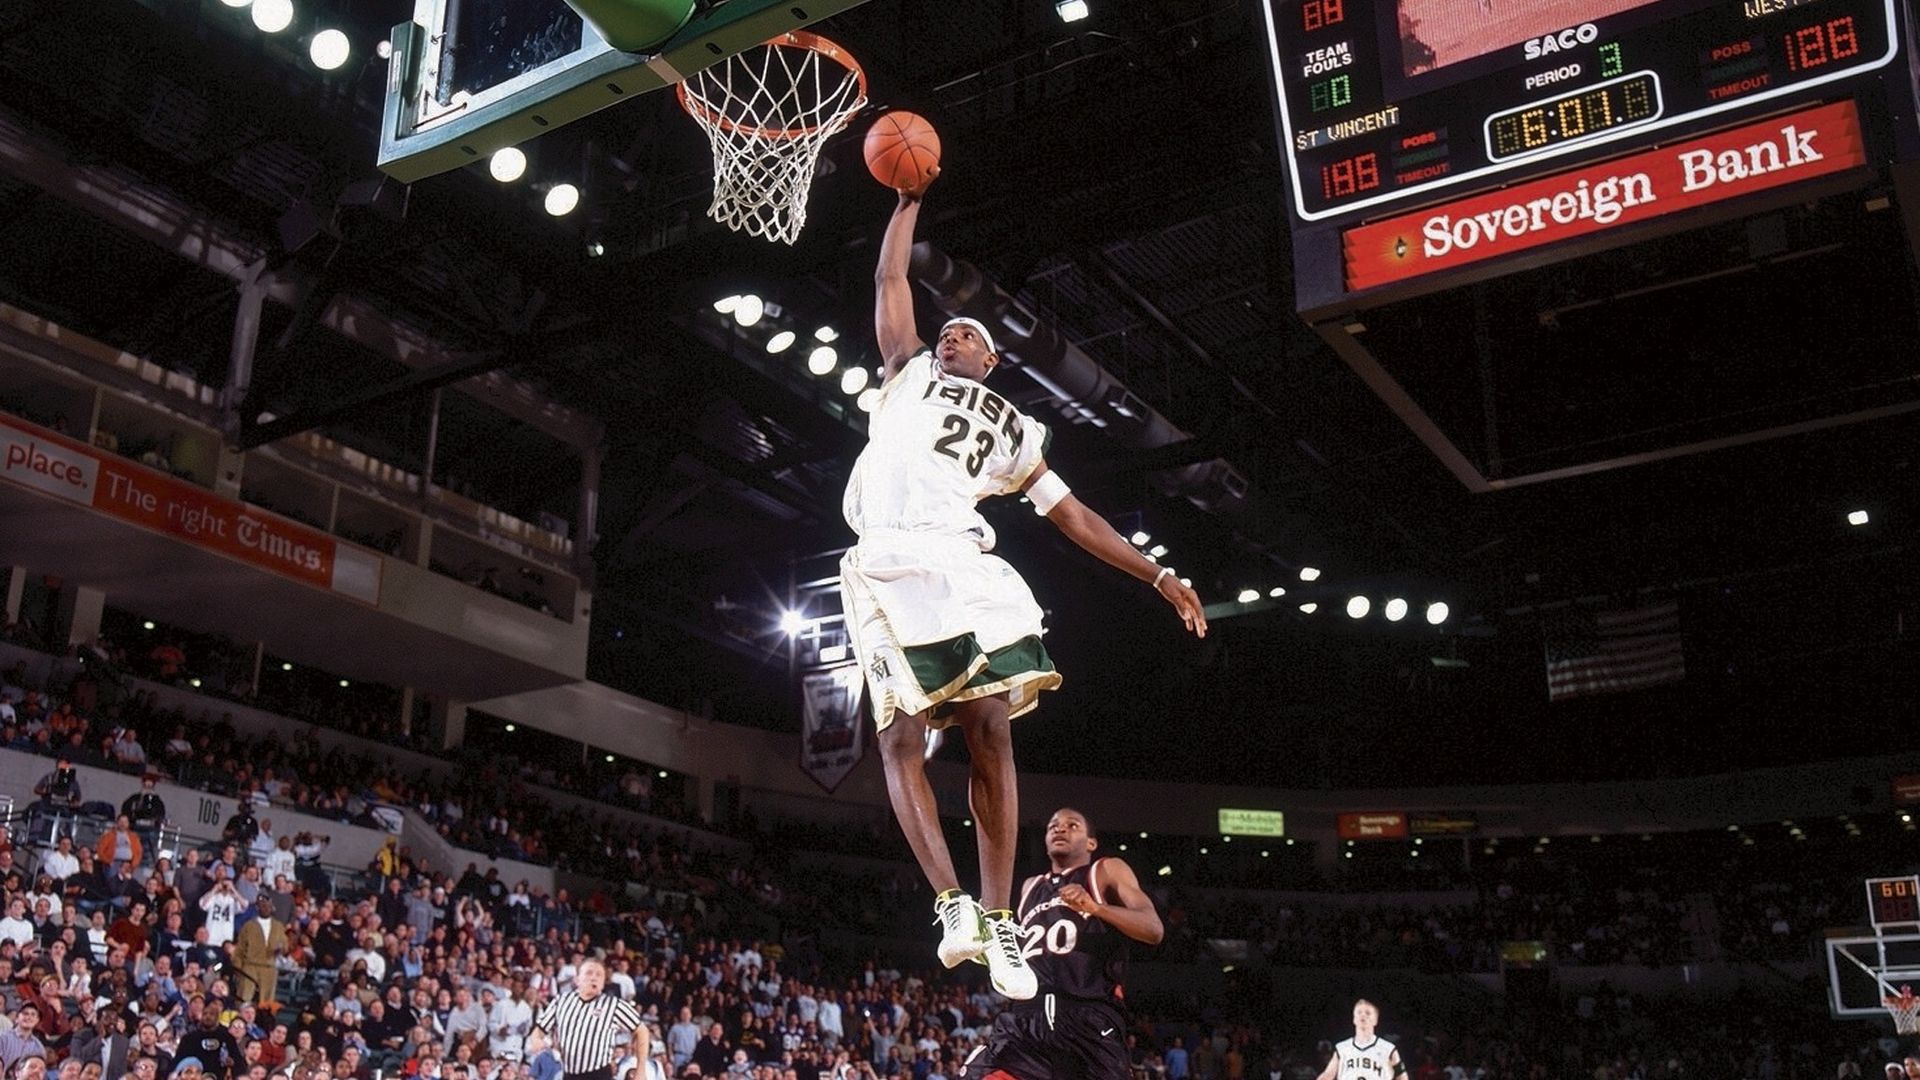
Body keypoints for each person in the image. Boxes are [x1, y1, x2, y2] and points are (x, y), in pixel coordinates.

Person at [844, 174, 1206, 998]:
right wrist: (907, 204)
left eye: (966, 334)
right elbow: (889, 281)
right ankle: (952, 907)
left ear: (993, 360)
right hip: (887, 560)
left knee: (991, 727)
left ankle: (1001, 919)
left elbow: (1073, 515)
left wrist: (1154, 571)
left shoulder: (1015, 429)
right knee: (902, 738)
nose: (950, 339)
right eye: (948, 332)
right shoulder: (906, 374)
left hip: (966, 566)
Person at [961, 809, 1161, 1080]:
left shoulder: (1105, 870)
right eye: (1053, 825)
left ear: (1091, 842)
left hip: (1087, 1017)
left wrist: (1096, 908)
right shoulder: (1030, 887)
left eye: (1072, 825)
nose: (1060, 829)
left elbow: (1153, 929)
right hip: (1025, 1021)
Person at [532, 959, 648, 1080]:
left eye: (599, 975)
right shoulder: (561, 1001)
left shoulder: (613, 1005)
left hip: (599, 1074)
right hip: (569, 1074)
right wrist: (536, 1039)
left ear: (604, 983)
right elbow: (539, 1029)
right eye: (589, 973)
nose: (594, 978)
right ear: (577, 979)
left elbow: (642, 1031)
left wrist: (641, 1069)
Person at [1313, 1001, 1402, 1080]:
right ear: (1354, 1019)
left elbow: (1402, 1076)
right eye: (1359, 1012)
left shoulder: (1389, 1048)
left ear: (1375, 1020)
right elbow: (1328, 1075)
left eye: (1368, 1013)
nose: (1363, 1015)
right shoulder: (1342, 1048)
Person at [231, 895, 287, 1005]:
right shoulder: (248, 926)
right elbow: (240, 949)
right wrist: (238, 968)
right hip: (250, 966)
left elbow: (285, 945)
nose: (266, 908)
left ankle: (265, 1020)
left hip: (269, 967)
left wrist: (280, 948)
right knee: (245, 997)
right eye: (263, 906)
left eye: (268, 906)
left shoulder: (278, 926)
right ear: (257, 908)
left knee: (266, 1001)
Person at [121, 777, 167, 860]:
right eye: (146, 786)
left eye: (150, 786)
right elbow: (126, 810)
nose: (147, 788)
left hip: (150, 829)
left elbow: (161, 815)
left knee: (148, 849)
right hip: (135, 826)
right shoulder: (134, 798)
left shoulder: (157, 801)